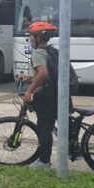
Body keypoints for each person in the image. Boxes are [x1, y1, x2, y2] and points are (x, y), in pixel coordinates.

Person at [19, 22, 61, 170]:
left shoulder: (38, 53)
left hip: (46, 97)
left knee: (44, 128)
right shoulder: (51, 51)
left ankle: (43, 162)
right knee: (51, 126)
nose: (30, 39)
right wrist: (31, 77)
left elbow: (43, 73)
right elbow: (47, 73)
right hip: (57, 94)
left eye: (31, 36)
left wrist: (29, 91)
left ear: (38, 37)